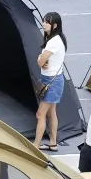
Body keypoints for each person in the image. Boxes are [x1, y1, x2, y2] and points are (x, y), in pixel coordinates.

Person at [33, 12, 67, 152]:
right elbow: (43, 61)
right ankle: (53, 143)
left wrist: (40, 58)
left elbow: (40, 61)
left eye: (47, 22)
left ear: (55, 25)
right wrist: (42, 59)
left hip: (52, 82)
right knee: (51, 112)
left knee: (40, 114)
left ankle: (35, 145)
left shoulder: (53, 41)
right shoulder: (56, 38)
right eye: (43, 21)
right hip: (54, 80)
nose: (43, 24)